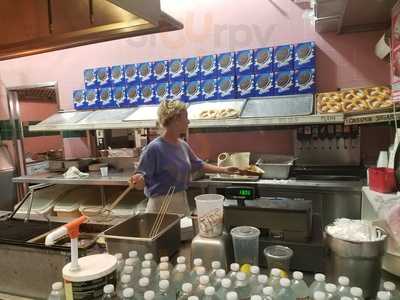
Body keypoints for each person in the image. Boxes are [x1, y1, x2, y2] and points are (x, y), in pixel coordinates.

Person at [130, 99, 238, 216]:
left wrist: (224, 170)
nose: (188, 121)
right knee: (166, 235)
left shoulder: (182, 145)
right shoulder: (154, 148)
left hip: (181, 201)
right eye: (185, 117)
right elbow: (140, 183)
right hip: (160, 206)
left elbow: (199, 165)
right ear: (175, 120)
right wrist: (137, 181)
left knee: (183, 233)